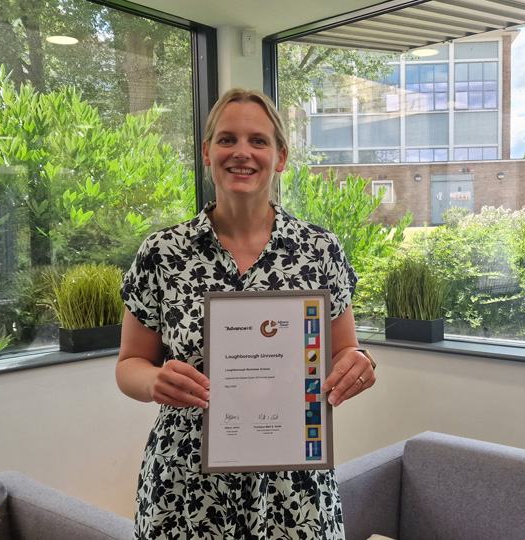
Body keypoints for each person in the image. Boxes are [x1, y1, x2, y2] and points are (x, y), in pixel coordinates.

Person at [116, 88, 376, 539]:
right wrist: (153, 381)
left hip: (294, 483)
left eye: (258, 141)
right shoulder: (163, 252)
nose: (242, 152)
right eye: (227, 139)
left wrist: (361, 364)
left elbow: (345, 350)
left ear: (280, 157)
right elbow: (128, 365)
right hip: (186, 483)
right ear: (207, 152)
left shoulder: (319, 249)